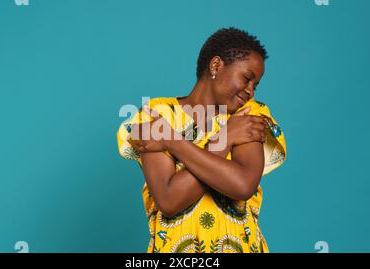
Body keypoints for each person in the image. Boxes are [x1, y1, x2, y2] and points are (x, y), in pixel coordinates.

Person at [117, 27, 286, 253]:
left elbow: (242, 184)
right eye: (247, 78)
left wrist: (172, 141)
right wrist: (223, 140)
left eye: (255, 85)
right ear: (216, 66)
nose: (250, 91)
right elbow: (169, 200)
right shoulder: (157, 114)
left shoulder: (248, 115)